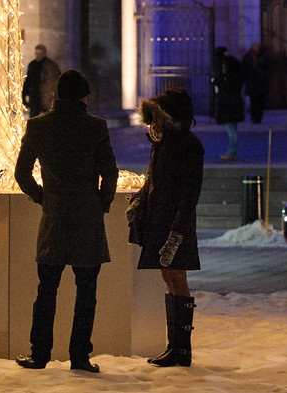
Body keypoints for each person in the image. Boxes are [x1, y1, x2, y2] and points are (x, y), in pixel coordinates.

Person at [13, 70, 119, 373]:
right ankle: (80, 356)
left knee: (46, 289)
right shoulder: (96, 127)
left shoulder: (37, 127)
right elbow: (109, 172)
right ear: (83, 96)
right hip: (87, 217)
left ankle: (39, 354)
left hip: (54, 217)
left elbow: (22, 174)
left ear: (57, 95)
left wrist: (43, 198)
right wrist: (102, 203)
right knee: (87, 290)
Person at [127, 87, 205, 368]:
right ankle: (174, 346)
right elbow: (152, 178)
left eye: (159, 118)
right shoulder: (160, 143)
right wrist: (138, 203)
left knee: (176, 275)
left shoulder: (189, 145)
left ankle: (181, 349)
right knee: (168, 275)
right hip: (159, 218)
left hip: (176, 222)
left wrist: (176, 233)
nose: (154, 124)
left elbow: (190, 193)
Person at [213, 47, 245, 161]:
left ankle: (232, 152)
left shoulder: (230, 78)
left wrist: (218, 82)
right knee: (233, 128)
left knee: (231, 129)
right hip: (234, 104)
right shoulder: (236, 76)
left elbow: (227, 88)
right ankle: (232, 151)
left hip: (230, 105)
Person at [22, 44, 62, 117]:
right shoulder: (32, 65)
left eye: (40, 53)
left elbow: (57, 81)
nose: (38, 55)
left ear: (44, 53)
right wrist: (24, 95)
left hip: (47, 97)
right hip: (35, 96)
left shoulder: (51, 66)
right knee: (34, 118)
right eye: (36, 53)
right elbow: (28, 81)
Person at [241, 43, 271, 124]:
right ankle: (254, 117)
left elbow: (269, 67)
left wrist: (263, 74)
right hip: (252, 82)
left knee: (260, 101)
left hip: (260, 82)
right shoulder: (247, 57)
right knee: (253, 100)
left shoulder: (263, 56)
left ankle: (258, 117)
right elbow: (244, 68)